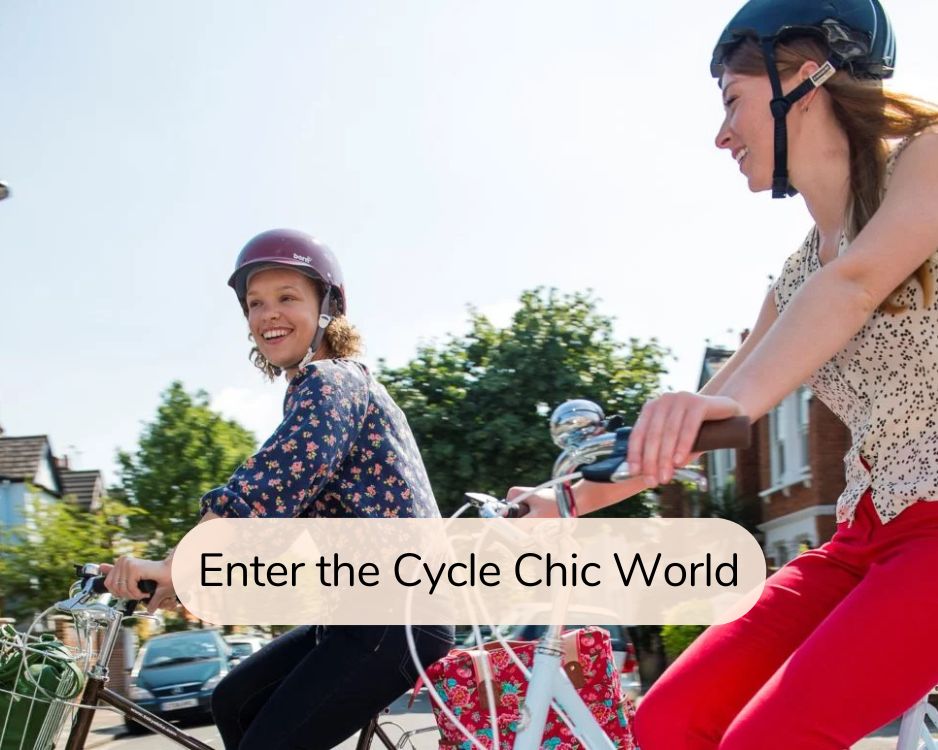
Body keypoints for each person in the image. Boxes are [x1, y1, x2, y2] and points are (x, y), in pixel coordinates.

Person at [511, 0, 938, 747]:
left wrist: (720, 400)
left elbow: (859, 282)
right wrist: (565, 498)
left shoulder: (927, 159)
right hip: (864, 533)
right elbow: (714, 412)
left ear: (807, 78)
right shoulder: (799, 272)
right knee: (670, 719)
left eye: (732, 101)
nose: (720, 135)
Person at [103, 228, 454, 750]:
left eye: (288, 298)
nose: (268, 315)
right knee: (233, 704)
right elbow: (277, 529)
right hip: (357, 612)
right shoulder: (325, 390)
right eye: (255, 303)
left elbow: (266, 486)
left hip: (397, 614)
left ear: (328, 307)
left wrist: (175, 565)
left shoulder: (333, 382)